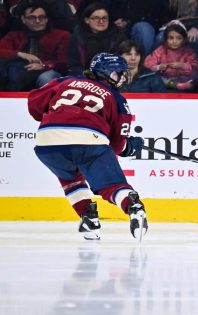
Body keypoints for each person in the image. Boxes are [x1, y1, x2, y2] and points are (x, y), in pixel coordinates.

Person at [27, 52, 148, 240]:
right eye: (120, 74)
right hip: (87, 142)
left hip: (46, 141)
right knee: (110, 184)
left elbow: (34, 103)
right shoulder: (117, 99)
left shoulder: (64, 81)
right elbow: (117, 145)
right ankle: (132, 205)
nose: (123, 78)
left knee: (70, 178)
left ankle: (88, 217)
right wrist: (129, 147)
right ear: (107, 73)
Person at [0, 0, 70, 91]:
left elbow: (66, 61)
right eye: (32, 17)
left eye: (42, 17)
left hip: (48, 71)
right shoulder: (13, 35)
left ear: (47, 19)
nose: (38, 21)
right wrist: (20, 54)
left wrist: (44, 65)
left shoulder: (62, 35)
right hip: (20, 71)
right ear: (23, 19)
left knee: (47, 78)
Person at [66, 2, 128, 76]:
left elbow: (123, 63)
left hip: (113, 78)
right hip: (85, 79)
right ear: (87, 20)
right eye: (96, 18)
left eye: (104, 18)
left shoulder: (118, 36)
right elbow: (74, 66)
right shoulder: (78, 37)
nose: (101, 21)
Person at [144, 22, 198, 92]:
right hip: (165, 79)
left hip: (182, 78)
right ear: (165, 39)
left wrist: (182, 65)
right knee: (153, 78)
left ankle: (181, 85)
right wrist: (159, 67)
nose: (174, 41)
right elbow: (148, 64)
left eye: (179, 38)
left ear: (184, 40)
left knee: (196, 76)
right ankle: (177, 86)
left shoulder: (188, 51)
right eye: (171, 38)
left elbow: (195, 66)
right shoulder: (160, 50)